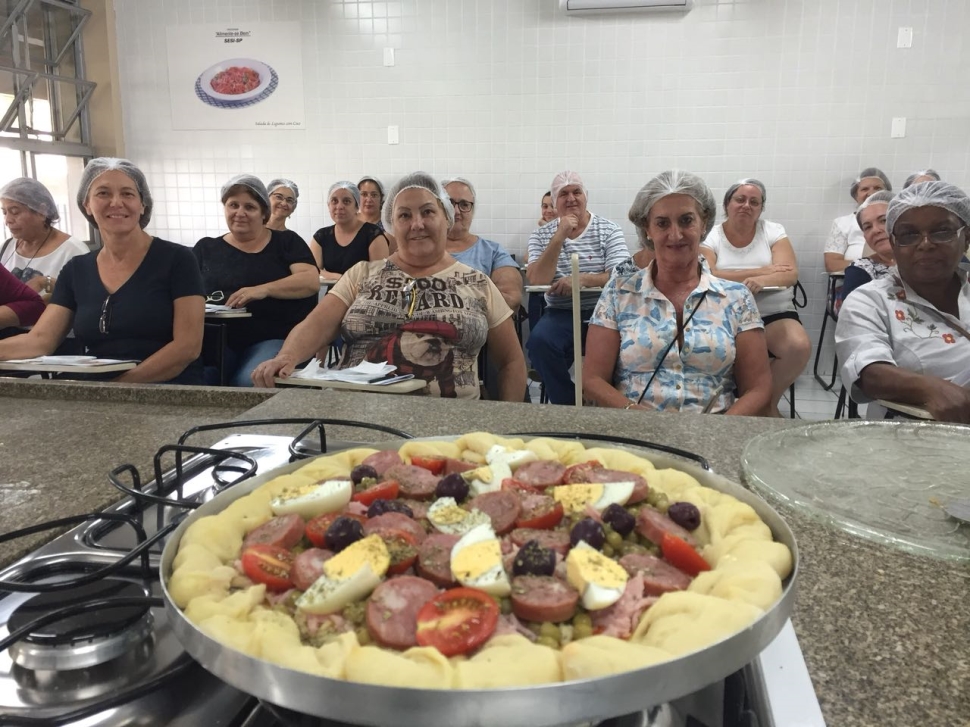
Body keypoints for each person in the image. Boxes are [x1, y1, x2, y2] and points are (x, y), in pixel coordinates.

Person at [251, 172, 526, 401]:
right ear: (391, 225)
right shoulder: (362, 274)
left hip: (450, 427)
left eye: (428, 212)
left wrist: (506, 428)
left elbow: (511, 362)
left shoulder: (478, 283)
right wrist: (286, 356)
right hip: (358, 416)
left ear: (446, 218)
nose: (417, 224)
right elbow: (318, 324)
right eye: (404, 215)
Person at [0, 158, 205, 383]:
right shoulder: (76, 270)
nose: (116, 202)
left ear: (142, 204)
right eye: (103, 193)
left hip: (168, 388)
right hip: (98, 388)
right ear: (86, 204)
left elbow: (187, 347)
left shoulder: (177, 260)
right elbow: (39, 340)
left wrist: (117, 387)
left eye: (127, 194)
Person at [583, 171, 771, 415]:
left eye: (686, 220)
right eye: (662, 223)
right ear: (647, 229)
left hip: (716, 428)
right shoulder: (619, 293)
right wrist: (638, 416)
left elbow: (758, 388)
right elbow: (593, 379)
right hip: (635, 430)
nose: (675, 234)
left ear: (703, 223)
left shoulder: (737, 298)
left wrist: (719, 428)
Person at [836, 181, 970, 423]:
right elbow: (868, 372)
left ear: (966, 238)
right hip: (909, 432)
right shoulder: (871, 300)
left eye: (942, 231)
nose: (926, 244)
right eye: (909, 235)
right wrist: (930, 389)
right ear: (894, 244)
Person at [194, 174, 319, 387]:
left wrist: (263, 289)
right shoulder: (206, 248)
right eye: (233, 205)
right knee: (199, 379)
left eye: (250, 207)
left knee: (248, 381)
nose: (240, 213)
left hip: (273, 338)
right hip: (216, 340)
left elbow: (309, 281)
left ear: (263, 213)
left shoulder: (286, 242)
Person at [700, 179, 810, 417]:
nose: (746, 205)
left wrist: (762, 281)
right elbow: (709, 274)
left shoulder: (773, 231)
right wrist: (762, 271)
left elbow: (790, 274)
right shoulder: (712, 235)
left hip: (773, 312)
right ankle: (752, 404)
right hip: (725, 317)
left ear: (761, 208)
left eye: (754, 202)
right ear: (727, 204)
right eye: (740, 199)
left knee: (798, 346)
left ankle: (766, 404)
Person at [525, 171, 628, 405]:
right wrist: (559, 236)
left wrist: (582, 279)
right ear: (555, 201)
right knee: (539, 344)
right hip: (561, 311)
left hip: (604, 311)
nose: (571, 199)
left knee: (627, 346)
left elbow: (622, 275)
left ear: (585, 197)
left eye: (576, 192)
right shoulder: (540, 235)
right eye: (564, 194)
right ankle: (568, 404)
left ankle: (611, 401)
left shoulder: (608, 229)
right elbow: (538, 279)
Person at [1, 177, 88, 302]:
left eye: (15, 212)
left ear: (42, 211)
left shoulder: (73, 252)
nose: (7, 220)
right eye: (4, 213)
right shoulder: (5, 248)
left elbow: (86, 300)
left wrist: (45, 282)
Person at [442, 176, 522, 311]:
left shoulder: (493, 252)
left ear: (472, 211)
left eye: (464, 205)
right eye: (450, 203)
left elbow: (511, 299)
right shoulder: (420, 250)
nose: (456, 211)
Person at [311, 181, 390, 279]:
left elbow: (379, 276)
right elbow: (312, 271)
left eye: (346, 201)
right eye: (334, 201)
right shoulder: (321, 236)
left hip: (365, 289)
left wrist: (344, 280)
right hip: (333, 289)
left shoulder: (373, 235)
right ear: (328, 205)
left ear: (357, 207)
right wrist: (338, 277)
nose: (339, 207)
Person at [824, 167, 891, 273]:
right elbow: (832, 264)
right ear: (856, 196)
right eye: (865, 189)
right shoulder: (842, 223)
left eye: (878, 188)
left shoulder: (896, 220)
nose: (871, 193)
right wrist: (872, 264)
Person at [837, 190, 896, 305]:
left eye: (883, 220)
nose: (875, 230)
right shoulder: (860, 270)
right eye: (867, 227)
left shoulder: (926, 263)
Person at [0, 265, 45, 338]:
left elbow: (35, 305)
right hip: (11, 333)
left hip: (35, 333)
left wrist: (46, 281)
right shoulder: (6, 257)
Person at [358, 175, 396, 253]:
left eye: (374, 195)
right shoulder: (349, 221)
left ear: (381, 199)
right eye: (364, 194)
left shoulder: (388, 225)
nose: (369, 199)